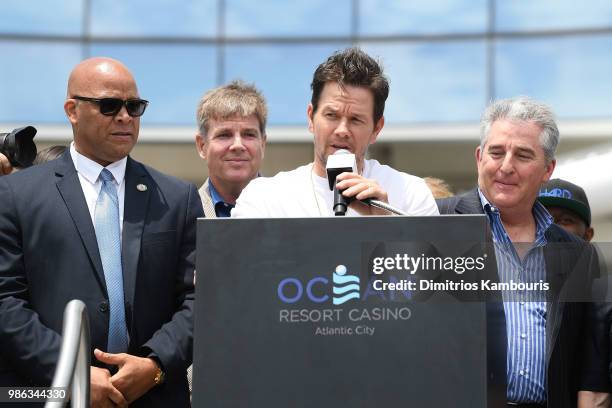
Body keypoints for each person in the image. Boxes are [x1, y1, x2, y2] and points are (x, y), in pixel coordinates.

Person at [0, 57, 203, 408]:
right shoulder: (16, 195)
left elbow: (199, 300)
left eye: (134, 107)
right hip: (50, 394)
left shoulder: (177, 198)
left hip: (152, 395)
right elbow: (6, 302)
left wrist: (154, 364)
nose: (125, 117)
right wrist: (71, 371)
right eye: (109, 106)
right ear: (72, 110)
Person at [437, 96, 598, 407]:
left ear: (548, 168)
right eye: (496, 152)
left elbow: (585, 356)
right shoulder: (434, 221)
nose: (506, 166)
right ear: (479, 157)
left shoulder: (578, 255)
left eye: (523, 155)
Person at [232, 47, 438, 217]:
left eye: (356, 120)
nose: (342, 131)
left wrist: (383, 225)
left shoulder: (411, 194)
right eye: (331, 115)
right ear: (311, 117)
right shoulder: (264, 197)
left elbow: (429, 266)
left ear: (377, 128)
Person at [195, 80, 267, 218]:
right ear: (202, 145)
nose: (238, 145)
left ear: (262, 144)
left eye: (249, 134)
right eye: (224, 135)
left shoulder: (291, 208)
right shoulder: (182, 215)